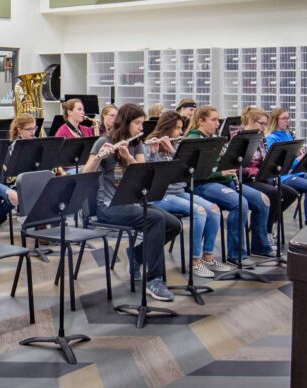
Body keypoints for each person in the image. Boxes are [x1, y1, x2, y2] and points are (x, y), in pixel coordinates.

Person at [83, 103, 181, 302]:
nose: (140, 128)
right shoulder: (103, 141)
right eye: (137, 123)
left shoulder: (136, 144)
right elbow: (86, 173)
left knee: (174, 225)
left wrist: (127, 157)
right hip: (108, 205)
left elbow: (143, 172)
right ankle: (154, 280)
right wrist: (99, 158)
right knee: (154, 219)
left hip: (133, 202)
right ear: (126, 123)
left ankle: (136, 254)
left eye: (142, 123)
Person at [183, 105, 263, 268]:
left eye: (217, 120)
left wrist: (229, 167)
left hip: (222, 182)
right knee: (240, 203)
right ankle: (236, 254)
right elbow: (197, 173)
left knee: (262, 200)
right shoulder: (194, 140)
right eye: (213, 120)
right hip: (203, 185)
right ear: (200, 121)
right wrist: (221, 173)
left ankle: (262, 245)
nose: (218, 124)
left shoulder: (213, 138)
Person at [146, 110, 223, 278]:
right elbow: (152, 176)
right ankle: (194, 261)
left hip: (179, 192)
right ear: (167, 128)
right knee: (199, 212)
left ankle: (208, 256)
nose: (181, 132)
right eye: (178, 128)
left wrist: (174, 153)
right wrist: (154, 153)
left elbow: (186, 173)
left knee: (214, 209)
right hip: (160, 196)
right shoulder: (150, 146)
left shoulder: (176, 146)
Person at [232, 106, 299, 256]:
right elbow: (235, 167)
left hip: (260, 177)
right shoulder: (239, 138)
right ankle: (263, 237)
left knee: (290, 193)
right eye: (261, 124)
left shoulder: (260, 137)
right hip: (245, 180)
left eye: (265, 124)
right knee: (274, 193)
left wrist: (272, 164)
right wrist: (257, 171)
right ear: (250, 121)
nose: (264, 127)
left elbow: (263, 160)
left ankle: (267, 224)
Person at [265, 106, 307, 222]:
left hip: (296, 172)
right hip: (283, 175)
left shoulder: (288, 134)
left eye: (288, 118)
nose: (287, 121)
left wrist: (303, 157)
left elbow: (294, 158)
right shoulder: (271, 138)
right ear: (275, 120)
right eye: (284, 118)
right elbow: (280, 164)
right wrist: (299, 160)